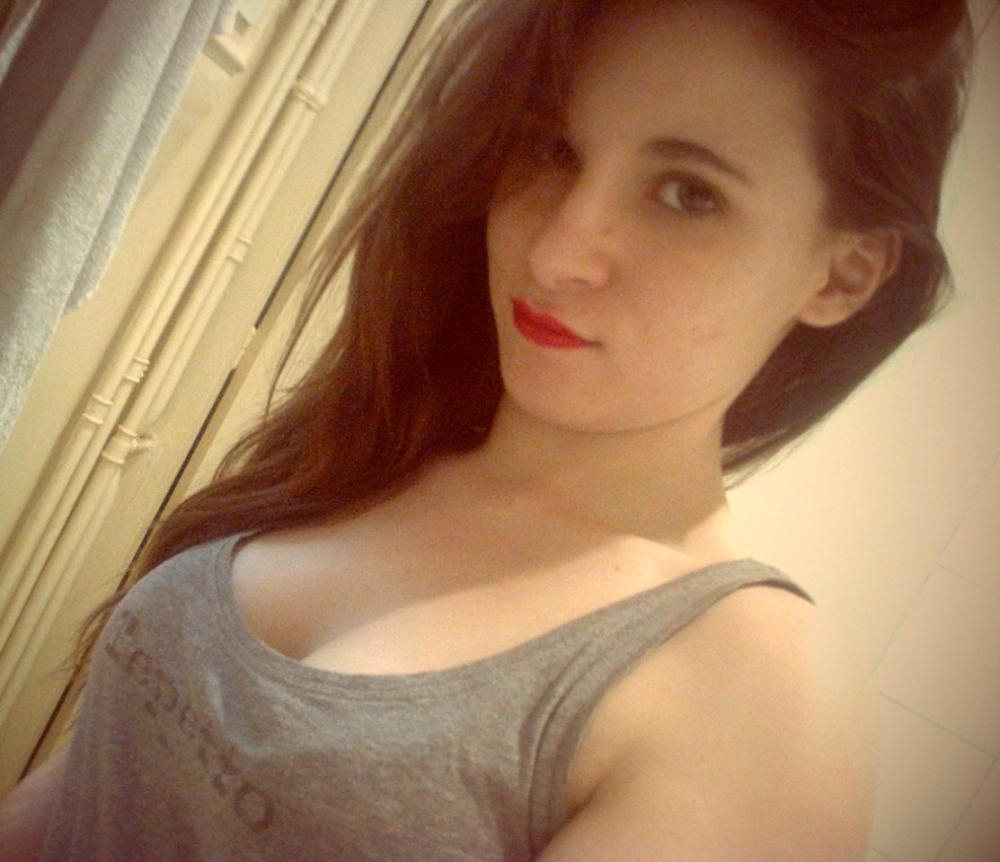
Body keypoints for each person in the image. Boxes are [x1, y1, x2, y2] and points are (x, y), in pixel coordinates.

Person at [0, 0, 974, 858]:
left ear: (843, 274)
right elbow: (91, 785)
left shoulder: (754, 699)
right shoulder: (372, 447)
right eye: (553, 150)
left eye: (688, 194)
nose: (555, 252)